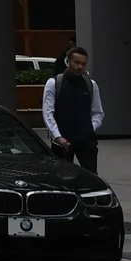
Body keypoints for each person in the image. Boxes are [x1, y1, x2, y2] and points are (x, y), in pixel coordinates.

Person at [41, 44, 104, 173]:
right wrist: (57, 136)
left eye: (83, 63)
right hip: (62, 141)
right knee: (62, 178)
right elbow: (48, 112)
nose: (80, 66)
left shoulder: (91, 85)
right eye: (76, 62)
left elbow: (98, 112)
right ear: (67, 61)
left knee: (91, 177)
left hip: (86, 140)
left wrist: (90, 128)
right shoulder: (54, 83)